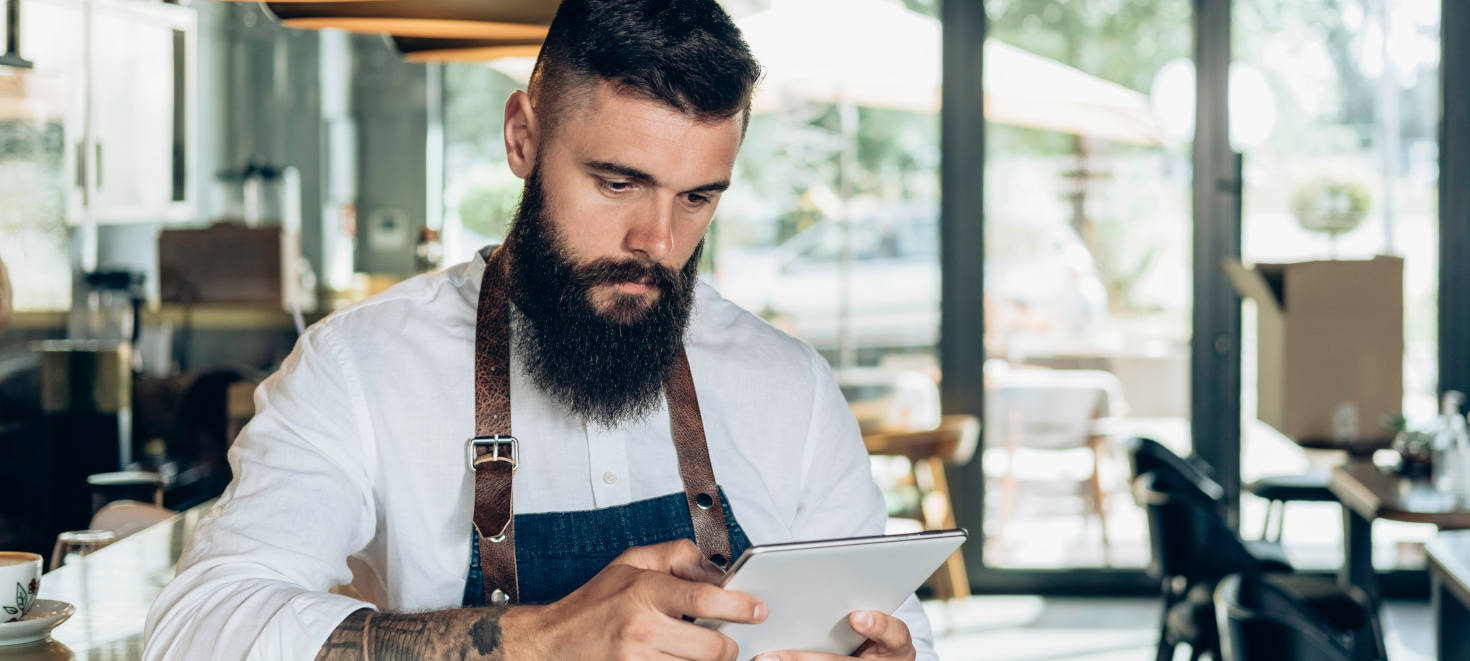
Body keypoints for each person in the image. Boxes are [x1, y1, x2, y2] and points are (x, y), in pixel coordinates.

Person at [141, 1, 934, 659]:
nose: (657, 242)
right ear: (523, 137)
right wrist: (539, 636)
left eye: (697, 197)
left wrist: (893, 650)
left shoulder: (785, 380)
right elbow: (196, 627)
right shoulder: (357, 366)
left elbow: (897, 620)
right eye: (619, 182)